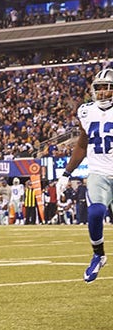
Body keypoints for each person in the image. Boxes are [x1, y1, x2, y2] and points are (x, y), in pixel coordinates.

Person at [61, 67, 113, 282]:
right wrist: (66, 173)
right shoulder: (86, 111)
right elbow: (82, 144)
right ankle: (98, 255)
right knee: (95, 213)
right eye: (98, 89)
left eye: (107, 89)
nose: (101, 93)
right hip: (99, 173)